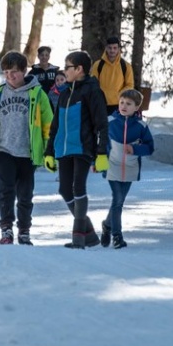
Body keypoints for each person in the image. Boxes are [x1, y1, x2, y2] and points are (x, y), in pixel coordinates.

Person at [0, 51, 53, 245]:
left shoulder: (37, 94)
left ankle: (24, 230)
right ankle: (6, 229)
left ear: (24, 71)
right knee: (6, 190)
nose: (10, 76)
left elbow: (48, 124)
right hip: (4, 150)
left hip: (28, 152)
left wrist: (48, 150)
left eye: (14, 72)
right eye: (6, 72)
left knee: (26, 194)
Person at [45, 51, 109, 249]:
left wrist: (101, 153)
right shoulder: (65, 93)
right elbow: (55, 126)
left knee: (78, 188)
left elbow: (102, 124)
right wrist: (49, 152)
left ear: (79, 69)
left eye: (67, 67)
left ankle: (78, 238)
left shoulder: (92, 91)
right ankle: (89, 234)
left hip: (83, 148)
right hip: (64, 149)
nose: (64, 71)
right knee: (64, 189)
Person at [100, 89, 155, 249]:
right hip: (112, 166)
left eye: (128, 104)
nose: (124, 106)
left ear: (137, 107)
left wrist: (134, 149)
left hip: (130, 168)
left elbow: (150, 147)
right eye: (122, 102)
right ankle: (117, 237)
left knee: (119, 202)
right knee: (117, 201)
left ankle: (107, 225)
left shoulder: (141, 126)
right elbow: (100, 144)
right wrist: (96, 161)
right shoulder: (109, 121)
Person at [91, 36, 135, 115]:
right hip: (101, 104)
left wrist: (119, 95)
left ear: (119, 49)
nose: (112, 50)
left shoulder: (125, 66)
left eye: (115, 48)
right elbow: (93, 84)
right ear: (106, 48)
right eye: (110, 48)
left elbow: (130, 85)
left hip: (119, 105)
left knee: (116, 127)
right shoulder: (98, 65)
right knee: (102, 127)